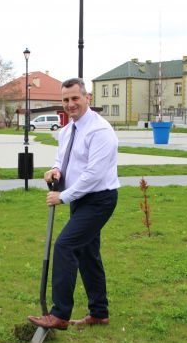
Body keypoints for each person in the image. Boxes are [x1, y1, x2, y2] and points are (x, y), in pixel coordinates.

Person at [28, 78, 119, 330]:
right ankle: (99, 313)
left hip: (99, 198)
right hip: (80, 198)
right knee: (88, 254)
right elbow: (63, 161)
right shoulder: (67, 131)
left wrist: (63, 196)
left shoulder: (100, 131)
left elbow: (94, 174)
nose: (70, 104)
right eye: (66, 100)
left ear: (87, 98)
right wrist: (54, 171)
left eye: (75, 98)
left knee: (65, 246)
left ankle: (60, 315)